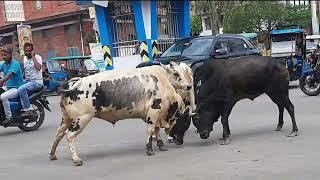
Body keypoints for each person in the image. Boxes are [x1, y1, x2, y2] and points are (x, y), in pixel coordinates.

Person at [18, 43, 43, 116]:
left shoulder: (38, 57)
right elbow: (25, 71)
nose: (27, 52)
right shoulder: (25, 58)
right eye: (26, 51)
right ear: (24, 51)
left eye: (29, 51)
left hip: (37, 82)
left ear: (32, 51)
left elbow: (38, 68)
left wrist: (33, 57)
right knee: (15, 88)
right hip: (28, 81)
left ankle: (28, 109)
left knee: (21, 89)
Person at [0, 46, 24, 122]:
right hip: (8, 87)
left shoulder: (15, 64)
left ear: (10, 54)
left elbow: (9, 75)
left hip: (16, 87)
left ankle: (9, 117)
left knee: (3, 97)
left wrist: (1, 81)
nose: (3, 57)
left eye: (5, 55)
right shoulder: (4, 64)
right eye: (2, 55)